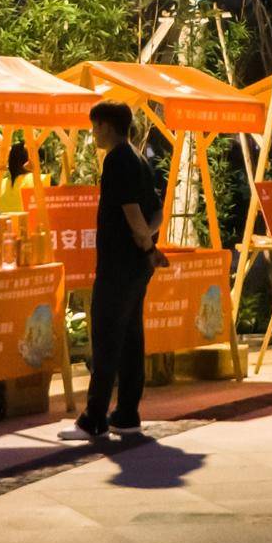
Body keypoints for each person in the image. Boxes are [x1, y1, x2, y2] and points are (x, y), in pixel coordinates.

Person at [81, 100, 164, 442]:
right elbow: (158, 212)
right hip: (136, 266)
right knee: (131, 338)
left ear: (105, 126)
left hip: (118, 265)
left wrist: (147, 246)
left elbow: (131, 212)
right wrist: (148, 245)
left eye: (94, 126)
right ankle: (127, 413)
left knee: (106, 337)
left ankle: (95, 417)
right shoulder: (140, 159)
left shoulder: (116, 160)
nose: (93, 133)